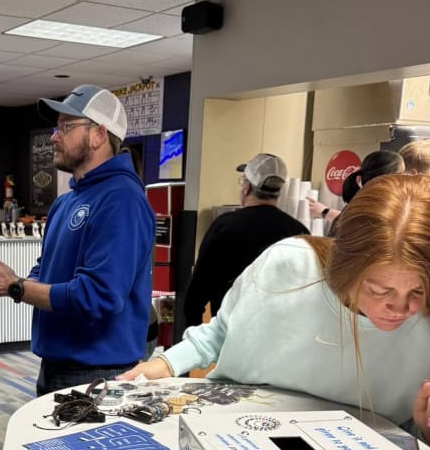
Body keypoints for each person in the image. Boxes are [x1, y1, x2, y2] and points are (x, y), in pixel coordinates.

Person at [119, 173, 430, 432]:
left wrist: (423, 430)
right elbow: (223, 330)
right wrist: (168, 363)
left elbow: (409, 436)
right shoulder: (290, 266)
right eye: (379, 290)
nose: (402, 308)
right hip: (236, 428)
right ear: (342, 266)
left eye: (418, 292)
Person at [0, 84, 156, 396]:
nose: (54, 137)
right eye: (56, 128)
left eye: (65, 127)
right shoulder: (67, 201)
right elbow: (46, 269)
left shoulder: (121, 199)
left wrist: (15, 287)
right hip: (57, 365)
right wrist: (16, 282)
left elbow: (98, 296)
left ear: (99, 135)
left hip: (98, 373)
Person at [182, 154, 307, 329]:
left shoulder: (224, 227)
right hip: (279, 339)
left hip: (229, 337)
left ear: (247, 188)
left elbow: (196, 296)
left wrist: (191, 342)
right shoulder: (298, 232)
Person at [307, 149, 404, 229]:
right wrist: (324, 212)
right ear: (389, 179)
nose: (407, 178)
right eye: (402, 174)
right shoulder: (385, 208)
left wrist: (324, 212)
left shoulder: (360, 205)